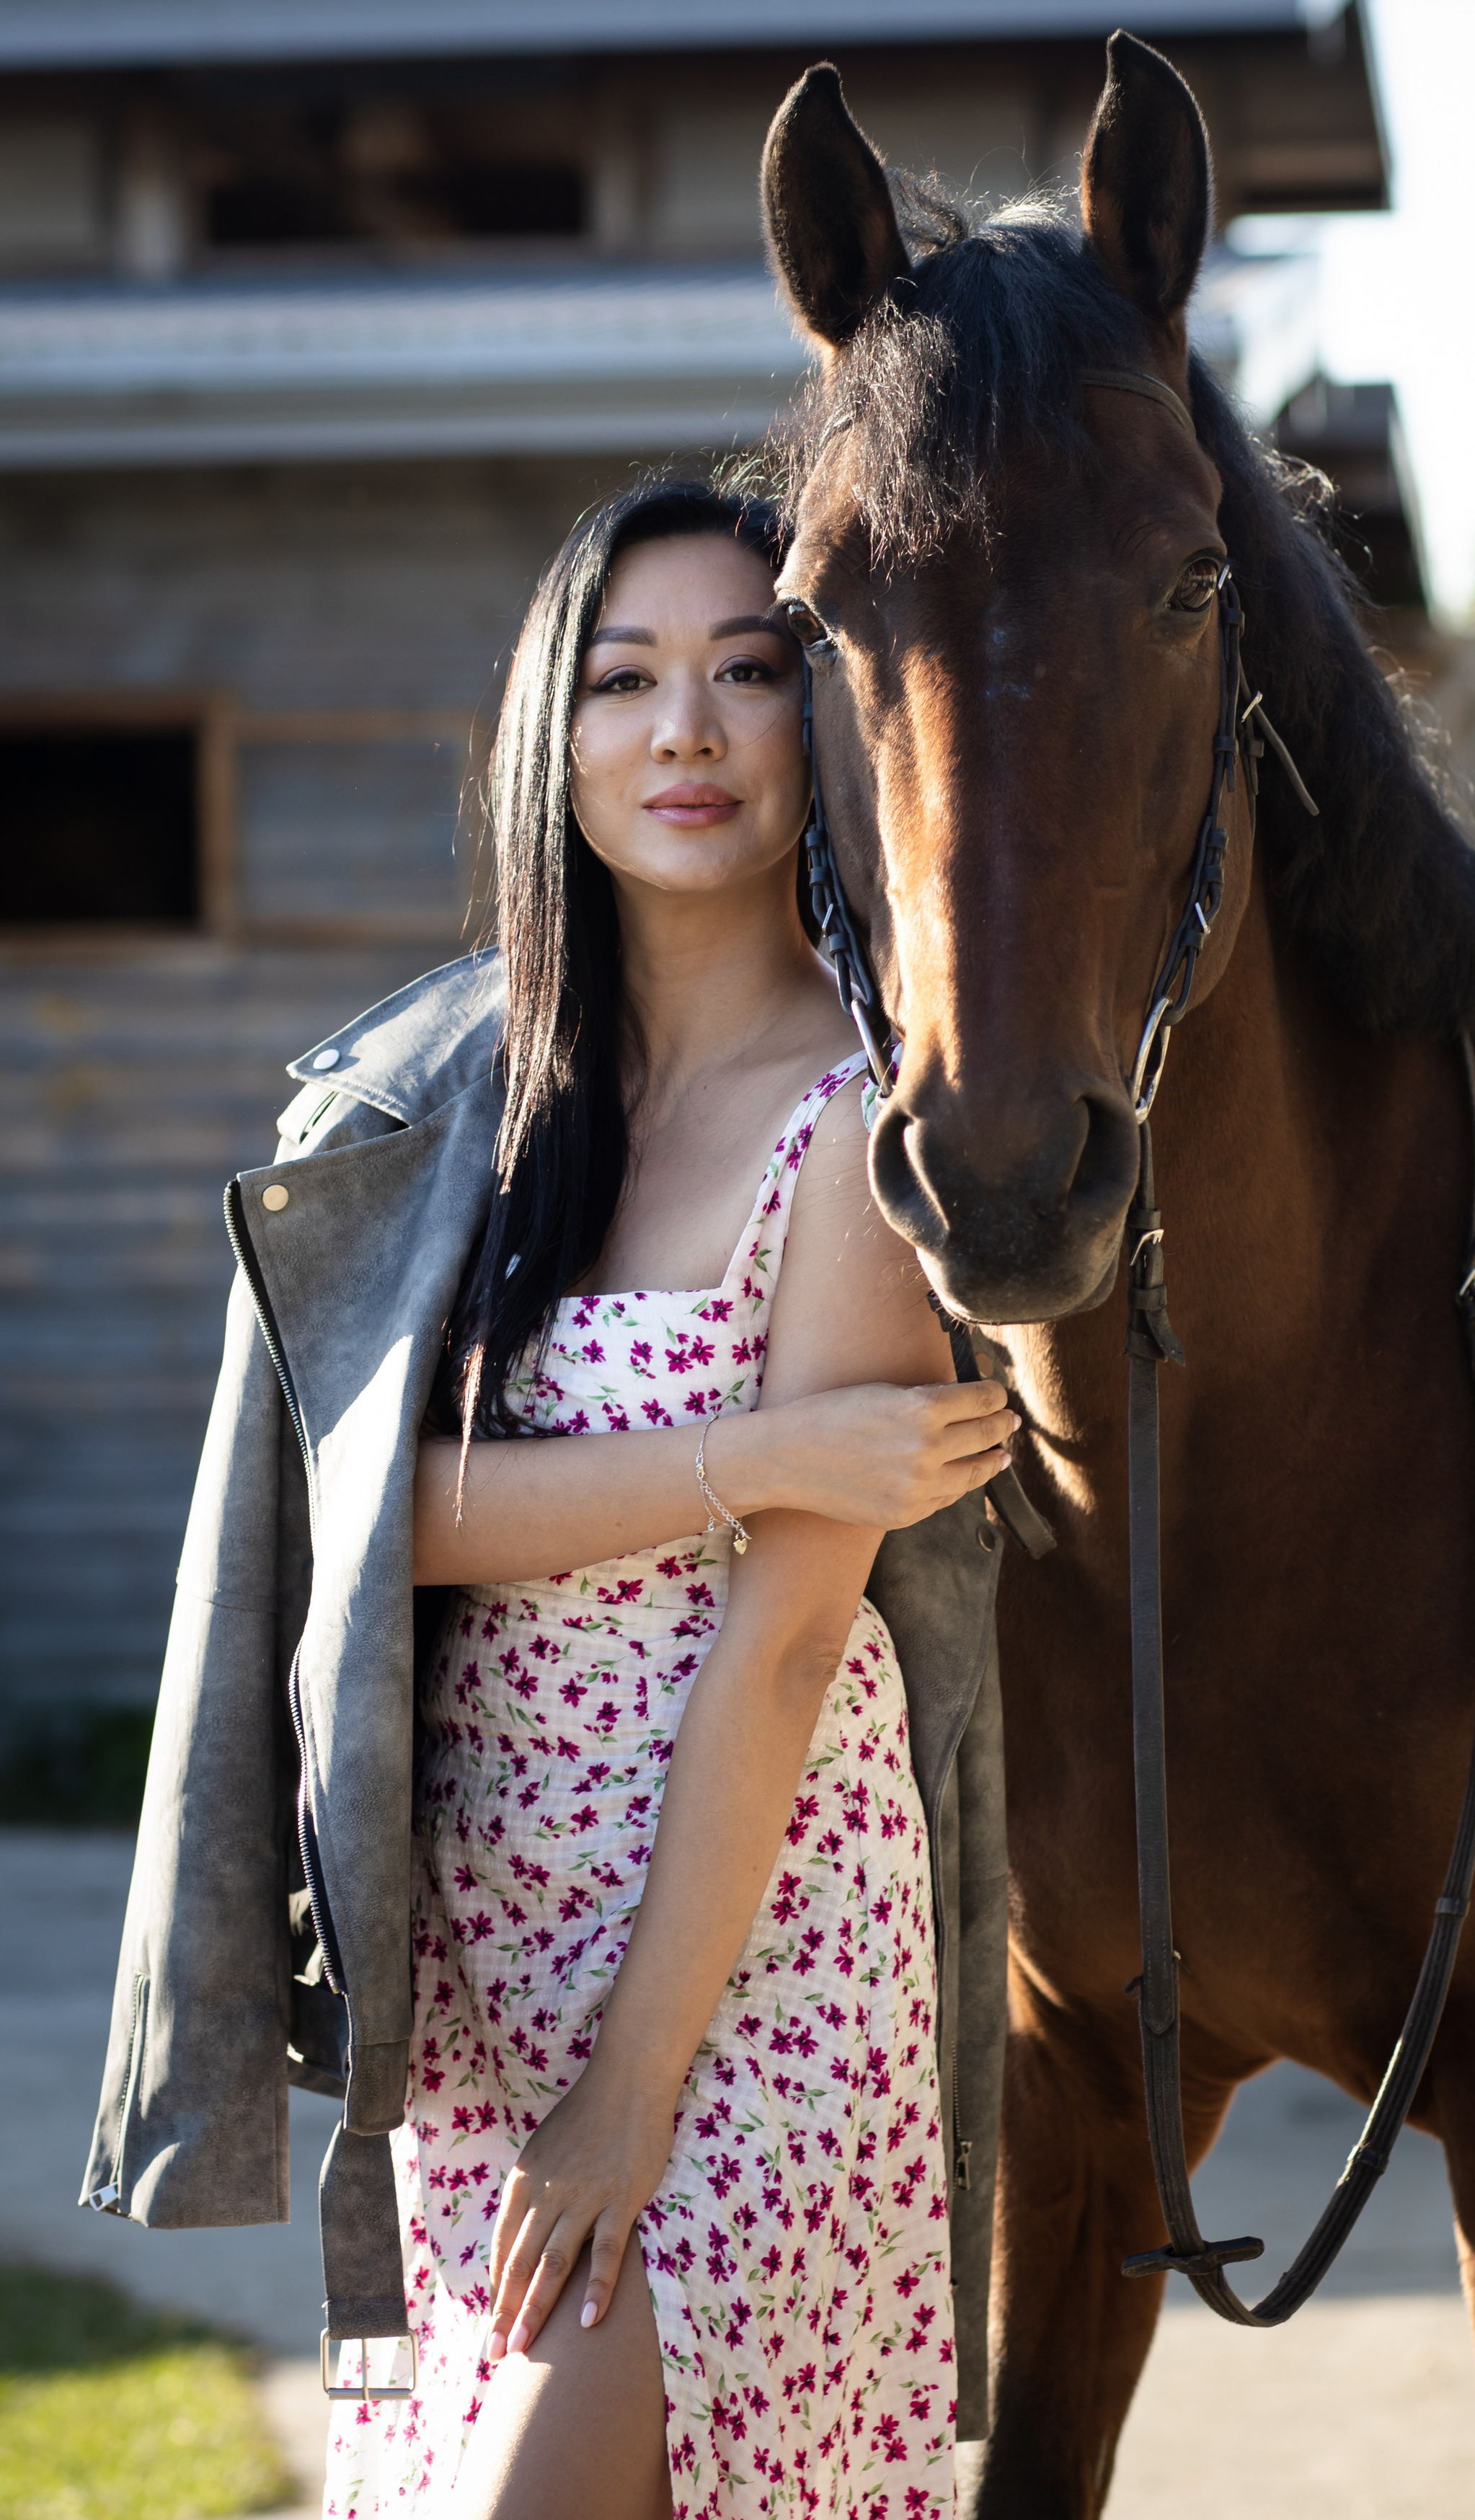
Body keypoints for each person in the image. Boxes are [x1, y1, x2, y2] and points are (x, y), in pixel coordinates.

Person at [83, 481, 1019, 2520]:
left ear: (823, 724)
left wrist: (631, 2095)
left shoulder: (860, 1126)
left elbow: (781, 1643)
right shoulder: (471, 1104)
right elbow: (369, 1519)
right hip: (487, 1955)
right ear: (552, 738)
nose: (684, 729)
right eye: (626, 678)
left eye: (747, 674)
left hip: (746, 1965)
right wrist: (750, 1458)